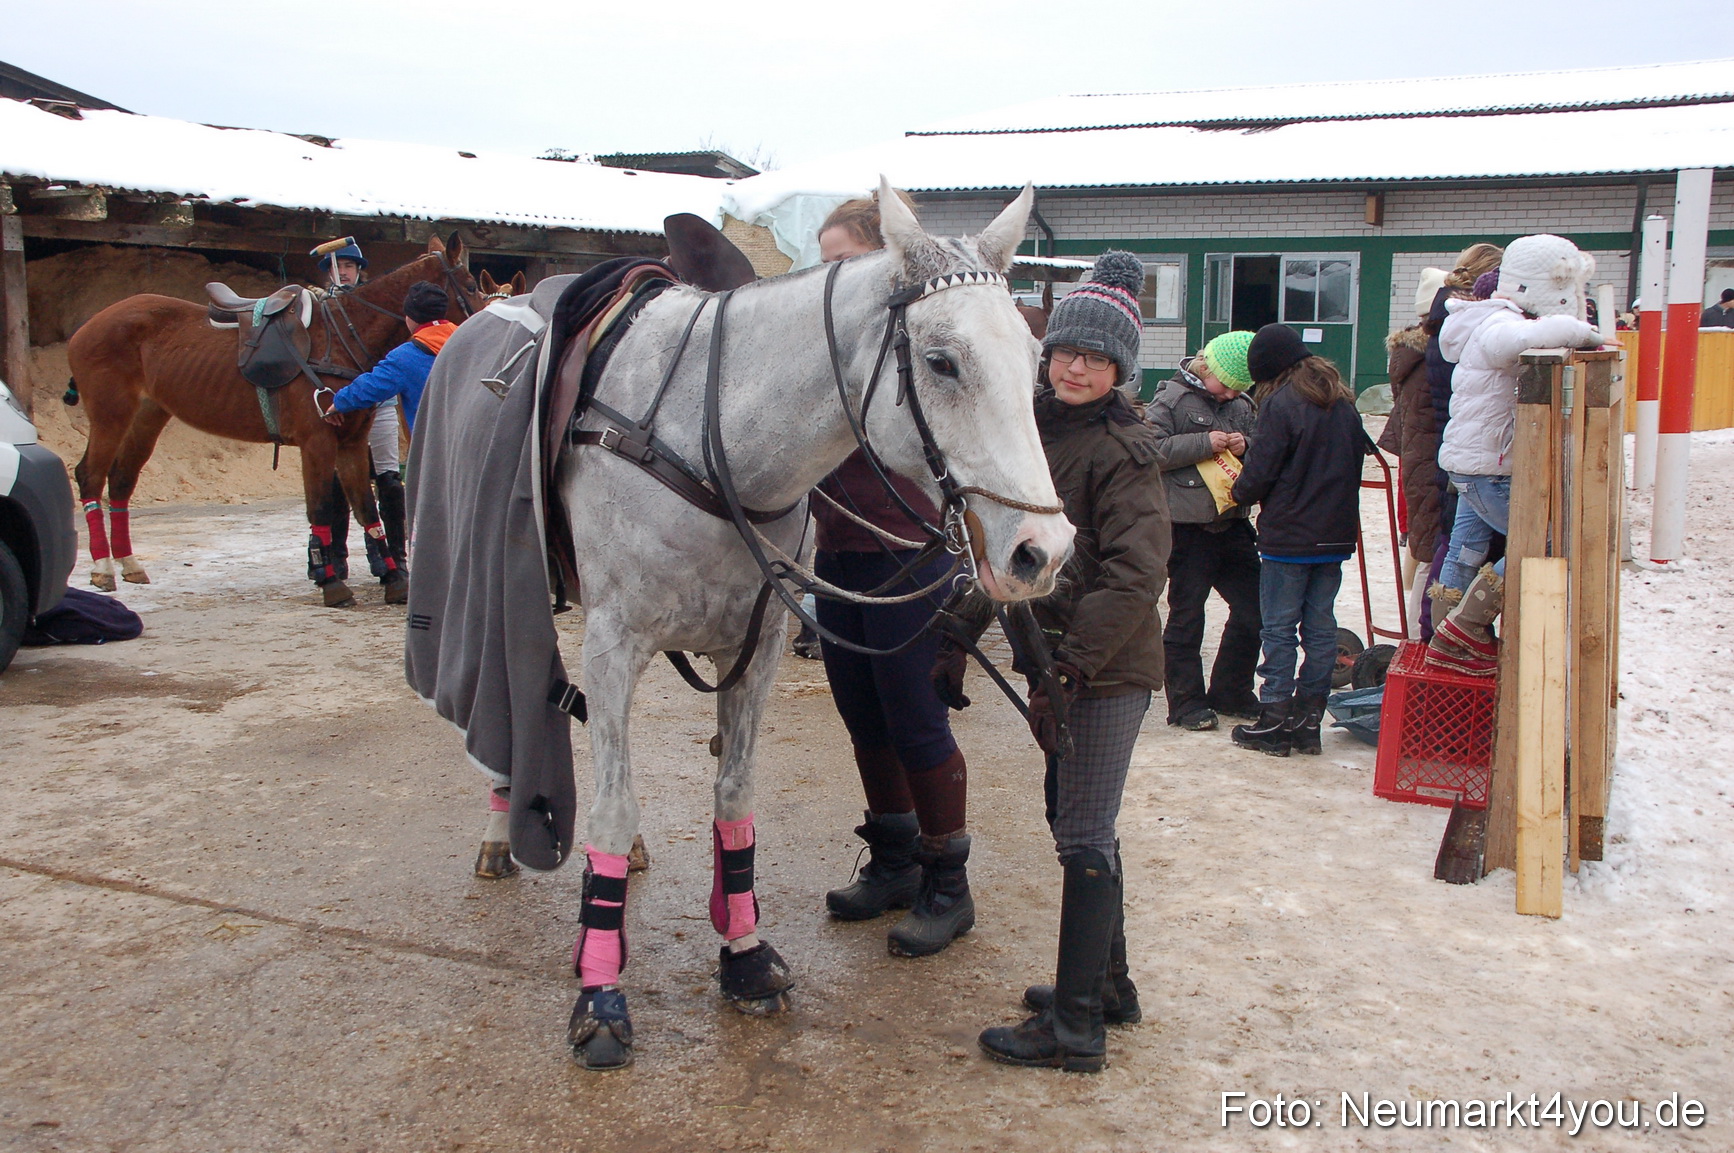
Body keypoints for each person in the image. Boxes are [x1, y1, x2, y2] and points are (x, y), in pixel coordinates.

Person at [972, 251, 1170, 1073]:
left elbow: (1136, 572)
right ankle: (1109, 985)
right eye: (1064, 352)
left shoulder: (1123, 451)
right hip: (1060, 661)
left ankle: (1077, 1027)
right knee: (1073, 818)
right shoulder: (1034, 432)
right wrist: (960, 628)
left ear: (1119, 367)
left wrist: (1075, 671)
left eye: (1093, 357)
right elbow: (1017, 553)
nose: (1075, 366)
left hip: (1106, 667)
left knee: (1082, 831)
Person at [810, 192, 977, 959]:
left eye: (841, 260)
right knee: (862, 714)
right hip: (839, 555)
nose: (827, 277)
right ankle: (895, 860)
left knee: (914, 715)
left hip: (908, 550)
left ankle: (950, 883)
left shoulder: (905, 348)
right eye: (823, 263)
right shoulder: (823, 350)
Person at [1425, 235, 1600, 676]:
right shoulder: (1499, 324)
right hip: (1488, 464)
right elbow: (1520, 340)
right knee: (1540, 543)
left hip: (1471, 459)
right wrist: (1581, 330)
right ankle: (1464, 628)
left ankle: (1445, 636)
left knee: (1467, 549)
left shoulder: (1479, 317)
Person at [1227, 325, 1368, 757]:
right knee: (1321, 629)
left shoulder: (1281, 404)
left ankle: (1274, 719)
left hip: (1289, 536)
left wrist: (1237, 490)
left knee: (1280, 629)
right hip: (1335, 537)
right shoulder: (1344, 403)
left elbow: (1263, 469)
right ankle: (1309, 723)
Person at [1145, 330, 1261, 732]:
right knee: (1186, 617)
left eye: (1238, 389)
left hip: (1232, 523)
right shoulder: (1171, 399)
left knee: (1256, 610)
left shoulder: (1243, 403)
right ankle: (1186, 703)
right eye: (1226, 385)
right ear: (1206, 367)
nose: (1230, 395)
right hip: (1187, 529)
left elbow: (1265, 441)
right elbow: (1148, 451)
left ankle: (1232, 690)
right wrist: (1202, 442)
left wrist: (1247, 444)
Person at [317, 281, 457, 591]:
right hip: (480, 447)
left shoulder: (406, 356)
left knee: (432, 518)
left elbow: (370, 387)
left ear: (410, 318)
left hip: (435, 452)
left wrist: (335, 403)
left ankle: (434, 582)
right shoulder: (471, 339)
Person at [1379, 270, 1448, 585]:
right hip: (1431, 451)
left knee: (1422, 546)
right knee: (1429, 553)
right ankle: (1418, 629)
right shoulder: (1435, 352)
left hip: (1415, 447)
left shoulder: (1409, 353)